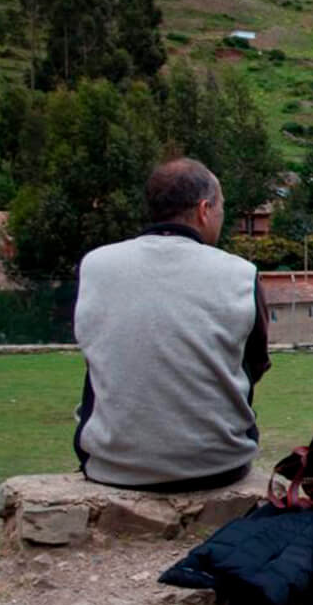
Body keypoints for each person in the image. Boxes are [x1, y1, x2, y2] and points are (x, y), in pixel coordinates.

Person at [74, 158, 269, 491]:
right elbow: (255, 364)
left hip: (111, 465)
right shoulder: (241, 274)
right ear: (204, 209)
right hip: (218, 465)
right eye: (221, 208)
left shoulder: (96, 265)